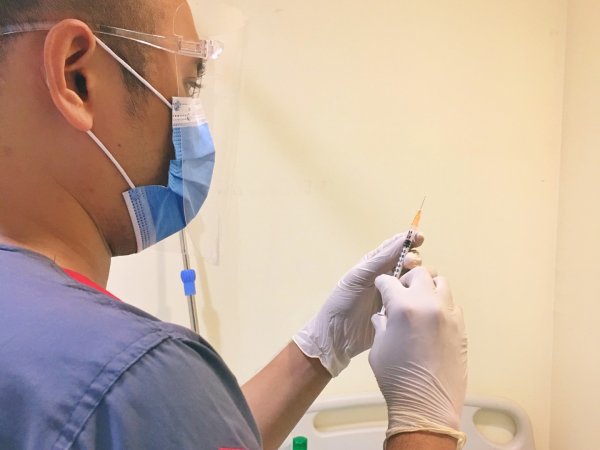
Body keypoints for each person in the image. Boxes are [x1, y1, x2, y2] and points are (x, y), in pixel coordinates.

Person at [0, 0, 468, 449]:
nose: (192, 123)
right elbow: (141, 407)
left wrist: (320, 349)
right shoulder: (127, 380)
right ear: (76, 77)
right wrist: (425, 423)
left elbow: (181, 433)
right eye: (188, 83)